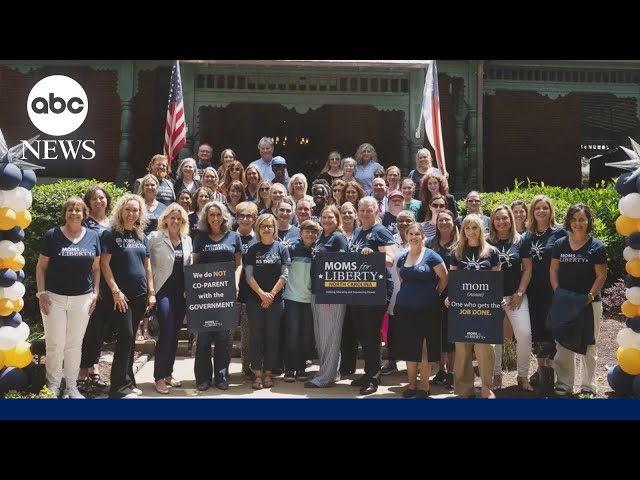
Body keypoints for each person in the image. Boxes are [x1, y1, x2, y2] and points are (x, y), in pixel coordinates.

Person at [36, 197, 101, 399]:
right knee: (54, 344)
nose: (74, 213)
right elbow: (41, 267)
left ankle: (71, 387)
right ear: (64, 213)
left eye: (78, 210)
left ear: (84, 214)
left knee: (74, 344)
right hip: (53, 299)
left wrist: (96, 293)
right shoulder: (52, 235)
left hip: (82, 300)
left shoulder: (93, 236)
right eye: (70, 209)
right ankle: (53, 386)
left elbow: (96, 268)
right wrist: (41, 293)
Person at [100, 193, 155, 399]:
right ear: (120, 211)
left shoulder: (141, 236)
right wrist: (115, 291)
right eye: (127, 210)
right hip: (120, 297)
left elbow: (147, 266)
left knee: (130, 340)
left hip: (139, 295)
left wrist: (151, 292)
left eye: (135, 210)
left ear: (140, 213)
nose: (131, 214)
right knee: (125, 336)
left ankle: (128, 382)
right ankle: (117, 388)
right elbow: (104, 264)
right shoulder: (111, 234)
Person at [550, 203, 607, 397]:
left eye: (582, 219)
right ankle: (564, 384)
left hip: (589, 302)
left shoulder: (597, 246)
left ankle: (588, 385)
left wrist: (589, 297)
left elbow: (601, 276)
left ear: (589, 221)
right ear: (569, 221)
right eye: (574, 219)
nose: (577, 223)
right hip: (564, 301)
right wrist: (558, 292)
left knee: (589, 344)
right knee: (563, 343)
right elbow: (553, 270)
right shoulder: (560, 244)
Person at [446, 214, 499, 399]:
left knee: (485, 347)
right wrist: (450, 297)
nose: (471, 231)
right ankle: (464, 389)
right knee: (462, 349)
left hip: (485, 308)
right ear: (463, 231)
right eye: (467, 228)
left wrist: (497, 299)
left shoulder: (492, 252)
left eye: (474, 227)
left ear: (481, 229)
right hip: (463, 308)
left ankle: (486, 388)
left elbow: (495, 281)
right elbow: (453, 280)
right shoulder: (457, 252)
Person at [192, 201, 243, 391]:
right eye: (211, 215)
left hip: (226, 293)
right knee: (203, 338)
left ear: (224, 217)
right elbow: (194, 265)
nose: (215, 218)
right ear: (206, 218)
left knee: (223, 338)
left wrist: (235, 282)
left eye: (218, 215)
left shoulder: (234, 236)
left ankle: (221, 377)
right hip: (204, 295)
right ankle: (202, 378)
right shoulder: (199, 238)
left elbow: (239, 264)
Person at [348, 196, 396, 395]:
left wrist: (374, 255)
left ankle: (374, 377)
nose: (365, 213)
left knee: (371, 334)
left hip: (377, 290)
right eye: (362, 210)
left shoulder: (381, 231)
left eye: (369, 210)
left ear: (376, 211)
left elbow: (391, 259)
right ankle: (367, 373)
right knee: (362, 333)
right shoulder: (358, 231)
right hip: (359, 289)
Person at [395, 223, 448, 398]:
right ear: (406, 236)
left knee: (424, 349)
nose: (414, 237)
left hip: (428, 311)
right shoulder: (402, 258)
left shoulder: (432, 256)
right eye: (410, 234)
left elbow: (444, 278)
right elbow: (402, 279)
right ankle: (411, 385)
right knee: (409, 349)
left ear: (423, 236)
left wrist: (434, 294)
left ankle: (424, 387)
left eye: (417, 234)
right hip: (405, 310)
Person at [522, 194, 567, 391]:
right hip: (534, 291)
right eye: (538, 208)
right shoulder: (527, 236)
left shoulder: (560, 233)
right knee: (538, 330)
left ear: (551, 211)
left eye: (545, 208)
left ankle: (553, 371)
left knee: (553, 330)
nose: (541, 211)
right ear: (532, 212)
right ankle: (542, 372)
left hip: (554, 290)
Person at [487, 204, 533, 391]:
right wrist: (491, 296)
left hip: (515, 297)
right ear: (492, 221)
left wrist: (520, 293)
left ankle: (522, 376)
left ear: (511, 219)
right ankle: (496, 375)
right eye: (497, 218)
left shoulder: (521, 241)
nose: (501, 221)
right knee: (494, 338)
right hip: (492, 297)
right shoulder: (486, 241)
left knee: (525, 334)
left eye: (505, 217)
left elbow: (527, 269)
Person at [148, 203, 193, 394]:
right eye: (172, 217)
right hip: (162, 291)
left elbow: (190, 266)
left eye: (179, 219)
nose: (175, 221)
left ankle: (168, 373)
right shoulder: (155, 237)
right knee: (166, 331)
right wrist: (151, 291)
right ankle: (159, 377)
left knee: (174, 334)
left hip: (180, 293)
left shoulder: (187, 240)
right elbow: (147, 264)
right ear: (165, 219)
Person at [244, 214, 291, 390]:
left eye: (270, 226)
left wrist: (271, 294)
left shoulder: (281, 248)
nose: (266, 229)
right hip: (255, 299)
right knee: (256, 336)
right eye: (263, 226)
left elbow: (284, 274)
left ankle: (269, 372)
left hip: (275, 300)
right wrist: (261, 294)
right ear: (258, 228)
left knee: (272, 336)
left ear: (274, 228)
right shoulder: (252, 249)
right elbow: (248, 276)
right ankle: (257, 373)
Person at [306, 205, 349, 388]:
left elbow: (341, 268)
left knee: (329, 337)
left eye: (330, 217)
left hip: (331, 293)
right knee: (322, 336)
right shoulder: (321, 237)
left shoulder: (338, 238)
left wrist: (331, 293)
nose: (326, 220)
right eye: (324, 217)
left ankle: (325, 378)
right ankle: (331, 372)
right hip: (317, 291)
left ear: (337, 219)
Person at [78, 185, 111, 393]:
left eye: (102, 198)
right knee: (90, 327)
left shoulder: (113, 222)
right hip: (91, 280)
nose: (99, 201)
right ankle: (82, 372)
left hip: (111, 280)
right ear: (88, 202)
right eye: (94, 198)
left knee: (101, 329)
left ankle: (94, 367)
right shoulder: (84, 223)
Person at [283, 220, 321, 382]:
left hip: (310, 299)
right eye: (307, 231)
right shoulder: (291, 248)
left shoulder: (318, 250)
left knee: (306, 336)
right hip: (292, 298)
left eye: (314, 232)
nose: (310, 235)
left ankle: (301, 368)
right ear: (300, 232)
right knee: (292, 334)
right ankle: (290, 368)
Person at [426, 209, 458, 390]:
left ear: (453, 222)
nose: (444, 223)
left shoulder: (460, 244)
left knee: (452, 336)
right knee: (439, 335)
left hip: (454, 295)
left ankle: (452, 373)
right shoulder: (430, 243)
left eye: (447, 220)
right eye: (441, 220)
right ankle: (441, 370)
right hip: (434, 294)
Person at [381, 210, 416, 377]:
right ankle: (392, 361)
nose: (404, 224)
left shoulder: (419, 240)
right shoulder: (389, 241)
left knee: (413, 328)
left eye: (408, 221)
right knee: (393, 329)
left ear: (414, 222)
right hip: (394, 290)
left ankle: (414, 362)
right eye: (401, 220)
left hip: (414, 293)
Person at [235, 201, 259, 380]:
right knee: (227, 334)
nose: (245, 219)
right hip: (230, 292)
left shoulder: (259, 239)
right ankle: (222, 370)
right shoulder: (228, 237)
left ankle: (247, 368)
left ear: (254, 218)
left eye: (249, 216)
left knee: (248, 334)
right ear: (236, 218)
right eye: (242, 215)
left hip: (251, 294)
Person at [138, 173, 167, 239]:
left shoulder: (164, 208)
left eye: (152, 185)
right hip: (140, 241)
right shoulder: (137, 206)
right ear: (142, 188)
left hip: (158, 242)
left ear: (157, 187)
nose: (150, 187)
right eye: (147, 185)